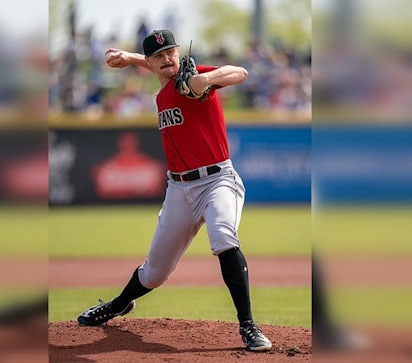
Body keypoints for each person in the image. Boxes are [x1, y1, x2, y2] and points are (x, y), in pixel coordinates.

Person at [77, 29, 272, 352]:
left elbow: (240, 72)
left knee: (223, 237)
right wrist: (129, 58)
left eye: (171, 52)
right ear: (152, 62)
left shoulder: (196, 78)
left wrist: (204, 82)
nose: (167, 58)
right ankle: (118, 304)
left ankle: (248, 325)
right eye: (159, 55)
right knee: (154, 273)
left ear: (178, 53)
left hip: (217, 181)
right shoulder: (164, 89)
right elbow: (159, 70)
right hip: (179, 189)